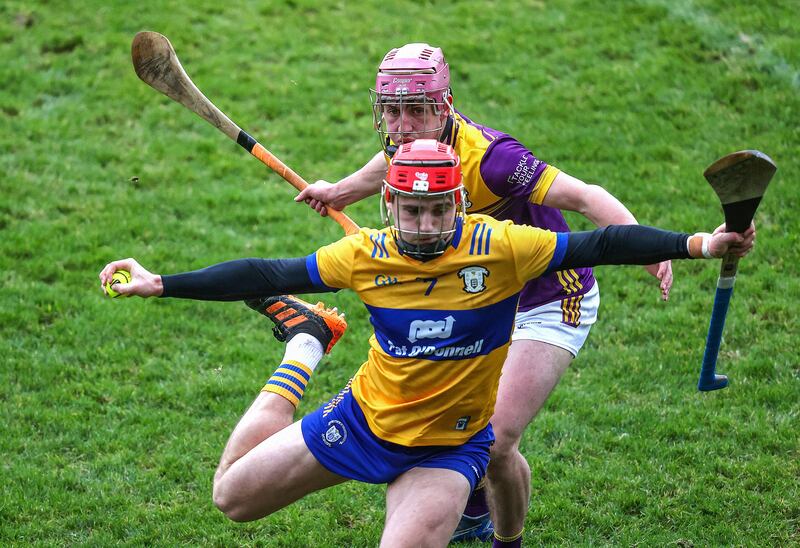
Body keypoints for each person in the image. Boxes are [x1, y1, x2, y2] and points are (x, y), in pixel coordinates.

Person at [99, 140, 753, 548]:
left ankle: (508, 539)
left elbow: (601, 242)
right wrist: (160, 284)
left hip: (444, 451)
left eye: (439, 208)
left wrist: (699, 243)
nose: (425, 222)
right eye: (411, 210)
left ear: (458, 204)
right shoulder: (362, 255)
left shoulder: (502, 249)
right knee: (230, 500)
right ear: (390, 205)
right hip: (363, 421)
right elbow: (266, 274)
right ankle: (304, 344)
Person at [295, 43, 675, 543]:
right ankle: (474, 507)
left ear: (444, 106)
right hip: (475, 303)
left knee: (495, 440)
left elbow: (583, 197)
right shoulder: (406, 146)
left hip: (546, 300)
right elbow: (383, 167)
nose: (403, 124)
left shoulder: (494, 161)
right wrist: (340, 191)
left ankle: (506, 539)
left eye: (416, 110)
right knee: (456, 422)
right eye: (392, 110)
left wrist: (643, 244)